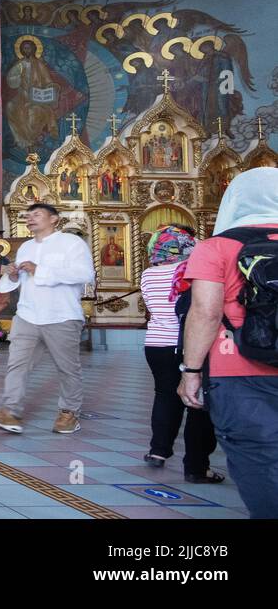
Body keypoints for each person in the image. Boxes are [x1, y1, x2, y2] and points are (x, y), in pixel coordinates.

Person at [179, 167, 278, 517]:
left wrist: (190, 371)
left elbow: (205, 312)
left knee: (257, 456)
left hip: (237, 370)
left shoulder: (215, 247)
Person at [0, 202, 95, 434]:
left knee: (67, 368)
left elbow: (85, 274)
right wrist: (13, 275)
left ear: (54, 219)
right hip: (27, 314)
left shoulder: (71, 243)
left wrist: (40, 270)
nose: (30, 219)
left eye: (37, 215)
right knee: (17, 364)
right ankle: (10, 412)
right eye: (28, 215)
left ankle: (69, 413)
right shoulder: (25, 247)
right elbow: (19, 282)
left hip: (61, 315)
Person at [140, 226, 222, 482]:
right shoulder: (190, 272)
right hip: (188, 345)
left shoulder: (147, 274)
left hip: (155, 345)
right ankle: (197, 466)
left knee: (165, 396)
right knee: (197, 403)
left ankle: (158, 451)